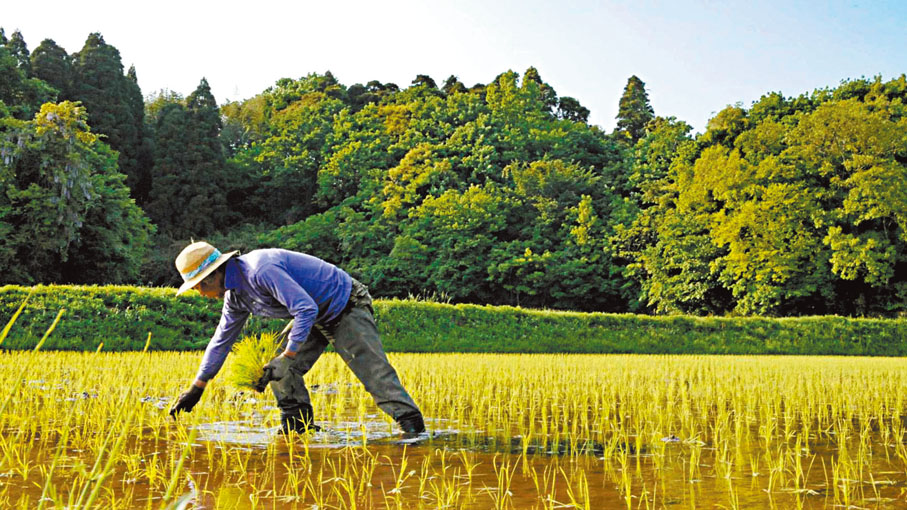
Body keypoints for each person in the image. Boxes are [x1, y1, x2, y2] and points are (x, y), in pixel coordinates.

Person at [167, 241, 425, 435]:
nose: (200, 293)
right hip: (314, 314)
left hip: (344, 304)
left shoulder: (261, 270)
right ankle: (298, 426)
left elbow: (305, 308)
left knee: (373, 373)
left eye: (200, 285)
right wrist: (197, 388)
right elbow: (221, 340)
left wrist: (289, 355)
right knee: (276, 368)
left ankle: (413, 431)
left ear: (216, 273)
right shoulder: (235, 296)